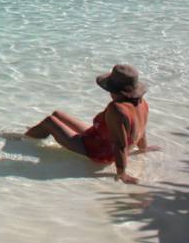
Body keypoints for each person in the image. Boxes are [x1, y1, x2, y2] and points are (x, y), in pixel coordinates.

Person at [24, 65, 158, 184]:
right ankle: (34, 131)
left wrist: (121, 173)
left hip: (101, 151)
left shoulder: (117, 109)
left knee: (49, 122)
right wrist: (143, 149)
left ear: (113, 90)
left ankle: (22, 139)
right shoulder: (141, 103)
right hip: (99, 136)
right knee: (57, 114)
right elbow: (142, 129)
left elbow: (119, 144)